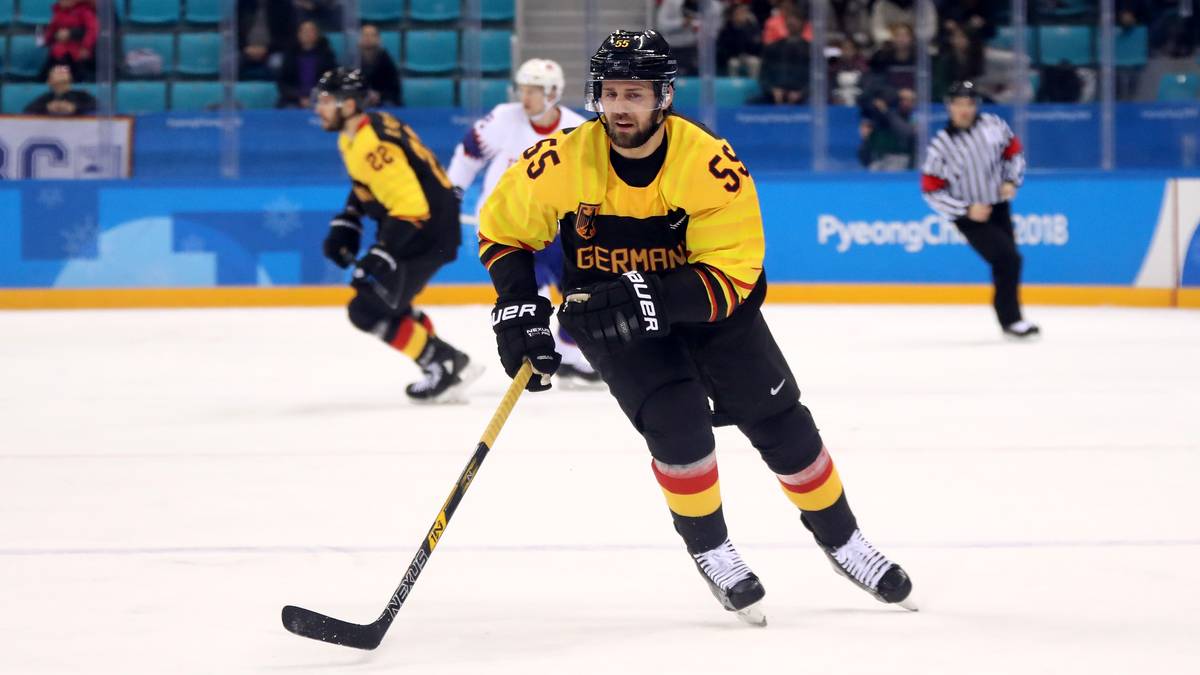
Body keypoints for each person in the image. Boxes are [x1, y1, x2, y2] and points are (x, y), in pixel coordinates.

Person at [477, 29, 916, 624]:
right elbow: (504, 231)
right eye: (611, 93)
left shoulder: (707, 162)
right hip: (613, 316)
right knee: (677, 423)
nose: (621, 107)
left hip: (707, 307)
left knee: (780, 420)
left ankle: (844, 540)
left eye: (636, 94)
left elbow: (735, 274)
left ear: (663, 97)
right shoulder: (561, 159)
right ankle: (712, 549)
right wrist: (517, 309)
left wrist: (647, 295)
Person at [314, 68, 481, 402]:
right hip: (425, 226)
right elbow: (370, 184)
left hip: (426, 231)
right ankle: (445, 362)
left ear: (349, 105)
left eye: (328, 100)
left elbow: (412, 206)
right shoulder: (358, 133)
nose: (320, 108)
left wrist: (384, 251)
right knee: (385, 301)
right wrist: (350, 218)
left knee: (366, 308)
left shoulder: (371, 143)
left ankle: (444, 363)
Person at [447, 58, 600, 387]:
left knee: (585, 293)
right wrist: (453, 194)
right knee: (530, 298)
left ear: (553, 93)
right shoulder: (504, 117)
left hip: (553, 230)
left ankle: (568, 356)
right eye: (523, 89)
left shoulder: (576, 130)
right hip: (507, 232)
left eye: (533, 90)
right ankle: (541, 351)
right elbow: (468, 153)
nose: (525, 97)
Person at [921, 81, 1039, 339]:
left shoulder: (994, 126)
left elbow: (1014, 153)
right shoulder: (941, 145)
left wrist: (1011, 180)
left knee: (1007, 263)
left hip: (998, 207)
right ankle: (1011, 320)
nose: (964, 109)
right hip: (969, 217)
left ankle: (1011, 320)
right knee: (1009, 259)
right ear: (950, 107)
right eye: (959, 104)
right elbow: (931, 191)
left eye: (969, 103)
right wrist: (966, 210)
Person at [277, 20, 338, 108]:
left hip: (321, 98)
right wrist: (298, 97)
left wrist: (316, 96)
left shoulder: (326, 55)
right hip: (293, 99)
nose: (307, 34)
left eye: (311, 31)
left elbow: (331, 79)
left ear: (317, 34)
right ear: (298, 34)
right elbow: (283, 82)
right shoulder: (290, 55)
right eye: (304, 31)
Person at [40, 0, 97, 81]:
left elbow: (92, 30)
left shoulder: (84, 11)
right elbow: (52, 29)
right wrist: (46, 40)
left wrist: (86, 47)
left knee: (73, 69)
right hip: (59, 51)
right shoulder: (58, 12)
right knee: (52, 62)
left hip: (76, 51)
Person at [24, 65, 97, 117]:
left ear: (71, 78)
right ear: (49, 81)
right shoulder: (45, 98)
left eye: (64, 70)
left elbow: (96, 107)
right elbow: (28, 110)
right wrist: (47, 108)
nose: (61, 71)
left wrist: (75, 108)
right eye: (57, 71)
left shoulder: (82, 95)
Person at [359, 24, 400, 107]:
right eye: (365, 35)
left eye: (372, 35)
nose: (368, 38)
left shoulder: (386, 59)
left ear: (379, 39)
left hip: (383, 101)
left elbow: (394, 88)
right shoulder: (352, 59)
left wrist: (380, 95)